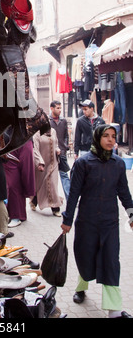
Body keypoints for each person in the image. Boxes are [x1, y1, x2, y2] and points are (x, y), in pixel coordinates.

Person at [61, 124, 133, 319]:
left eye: (113, 136)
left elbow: (124, 192)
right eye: (106, 136)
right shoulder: (83, 163)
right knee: (86, 256)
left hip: (109, 221)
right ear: (97, 138)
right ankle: (80, 288)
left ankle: (114, 310)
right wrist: (67, 219)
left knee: (111, 261)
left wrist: (131, 212)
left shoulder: (118, 164)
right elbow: (74, 193)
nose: (110, 140)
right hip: (87, 221)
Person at [31, 127, 64, 216]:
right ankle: (34, 201)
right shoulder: (37, 134)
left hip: (53, 163)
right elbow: (35, 150)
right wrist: (40, 162)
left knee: (52, 184)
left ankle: (55, 208)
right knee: (42, 185)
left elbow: (56, 143)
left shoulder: (53, 131)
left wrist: (57, 149)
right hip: (42, 163)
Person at [3, 139, 35, 228]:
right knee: (12, 187)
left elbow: (26, 160)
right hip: (9, 160)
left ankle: (16, 216)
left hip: (15, 157)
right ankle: (17, 215)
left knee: (14, 188)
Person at [49, 100, 71, 200]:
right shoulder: (47, 121)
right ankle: (36, 200)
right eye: (57, 108)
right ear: (52, 108)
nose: (60, 110)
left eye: (60, 108)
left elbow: (66, 135)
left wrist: (65, 146)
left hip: (62, 152)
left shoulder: (63, 121)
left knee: (64, 175)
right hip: (50, 153)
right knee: (48, 178)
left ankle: (70, 198)